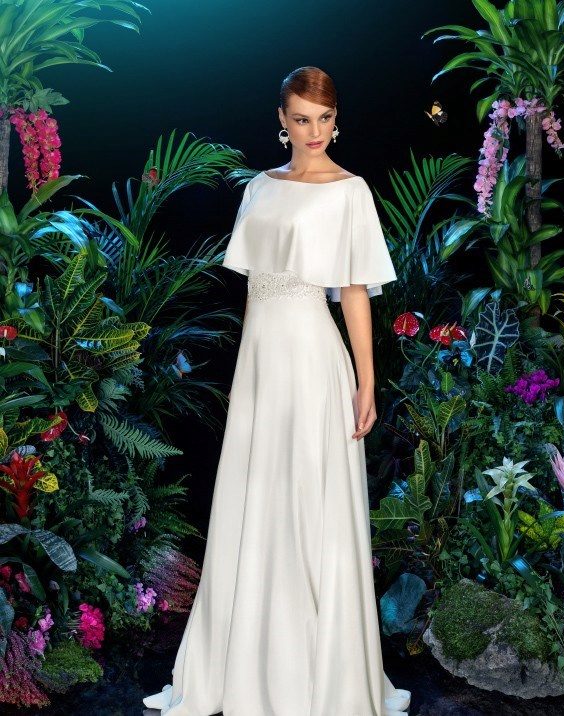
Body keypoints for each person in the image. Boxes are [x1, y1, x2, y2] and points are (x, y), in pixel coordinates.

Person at [143, 65, 411, 716]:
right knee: (253, 504)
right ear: (282, 121)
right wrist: (247, 375)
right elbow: (253, 294)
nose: (314, 131)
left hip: (315, 365)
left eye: (324, 118)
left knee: (309, 508)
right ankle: (236, 670)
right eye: (301, 119)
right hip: (261, 367)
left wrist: (367, 382)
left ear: (336, 120)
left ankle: (318, 678)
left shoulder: (350, 192)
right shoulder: (259, 188)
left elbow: (354, 292)